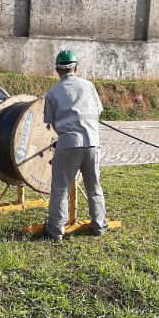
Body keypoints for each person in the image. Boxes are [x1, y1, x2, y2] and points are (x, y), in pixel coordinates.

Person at [43, 49, 108, 241]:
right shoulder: (89, 86)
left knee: (60, 188)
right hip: (92, 143)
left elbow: (52, 124)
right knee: (94, 187)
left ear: (57, 70)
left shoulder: (52, 93)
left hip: (69, 144)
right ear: (76, 68)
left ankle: (55, 229)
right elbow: (97, 113)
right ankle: (99, 226)